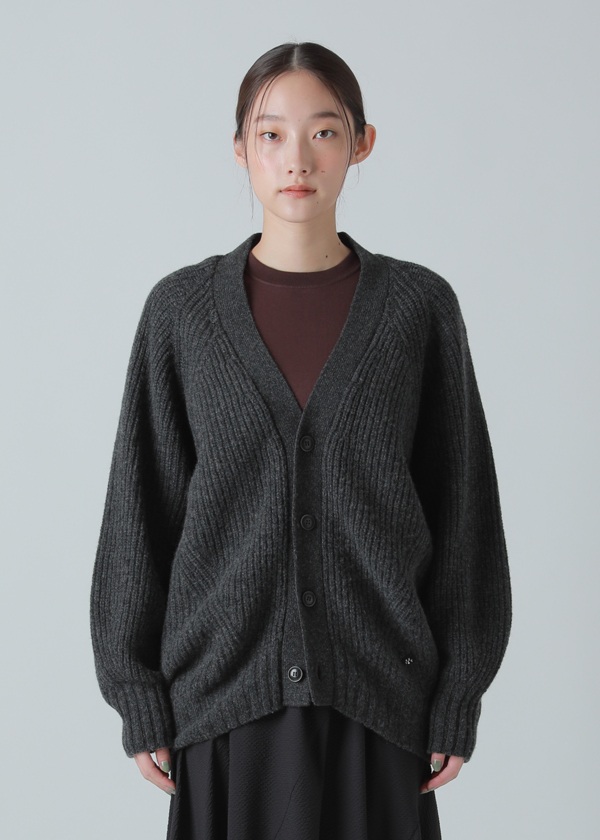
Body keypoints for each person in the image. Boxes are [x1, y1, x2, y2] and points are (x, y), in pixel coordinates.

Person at [90, 41, 512, 840]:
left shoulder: (418, 308)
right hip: (223, 713)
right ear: (239, 148)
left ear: (361, 143)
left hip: (381, 706)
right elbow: (139, 514)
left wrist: (458, 692)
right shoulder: (181, 314)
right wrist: (136, 689)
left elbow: (465, 516)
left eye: (323, 132)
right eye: (271, 134)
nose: (297, 159)